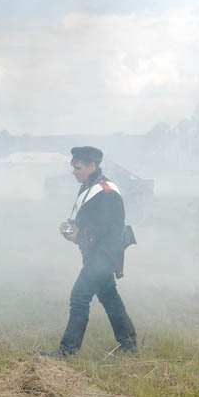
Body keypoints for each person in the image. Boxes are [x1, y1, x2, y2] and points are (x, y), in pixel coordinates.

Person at [39, 146, 136, 356]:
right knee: (109, 296)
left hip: (104, 255)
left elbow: (108, 228)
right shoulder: (88, 185)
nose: (75, 171)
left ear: (93, 166)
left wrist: (79, 235)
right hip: (95, 253)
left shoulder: (107, 191)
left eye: (79, 167)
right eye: (74, 167)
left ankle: (67, 351)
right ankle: (129, 343)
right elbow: (91, 218)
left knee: (79, 297)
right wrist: (73, 226)